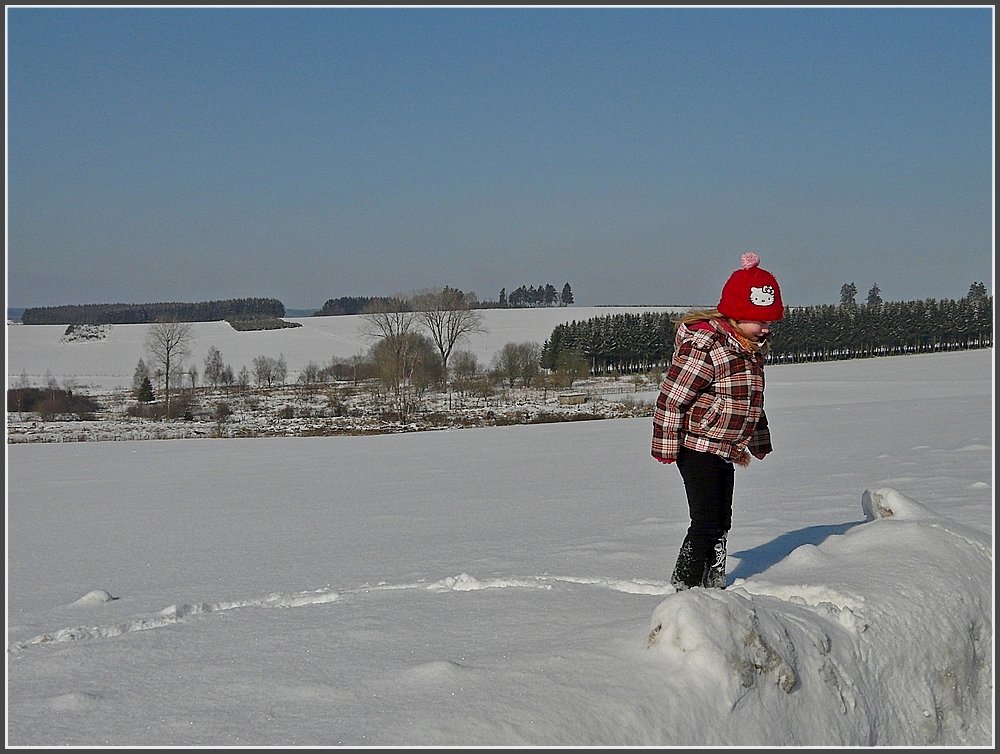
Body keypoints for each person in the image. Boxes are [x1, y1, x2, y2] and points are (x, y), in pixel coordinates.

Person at [651, 252, 784, 590]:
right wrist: (665, 445)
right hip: (696, 446)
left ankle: (714, 583)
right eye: (760, 321)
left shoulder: (748, 350)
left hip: (724, 448)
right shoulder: (707, 347)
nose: (766, 328)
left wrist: (758, 441)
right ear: (737, 315)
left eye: (770, 322)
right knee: (706, 521)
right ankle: (685, 588)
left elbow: (750, 402)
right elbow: (672, 397)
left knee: (722, 520)